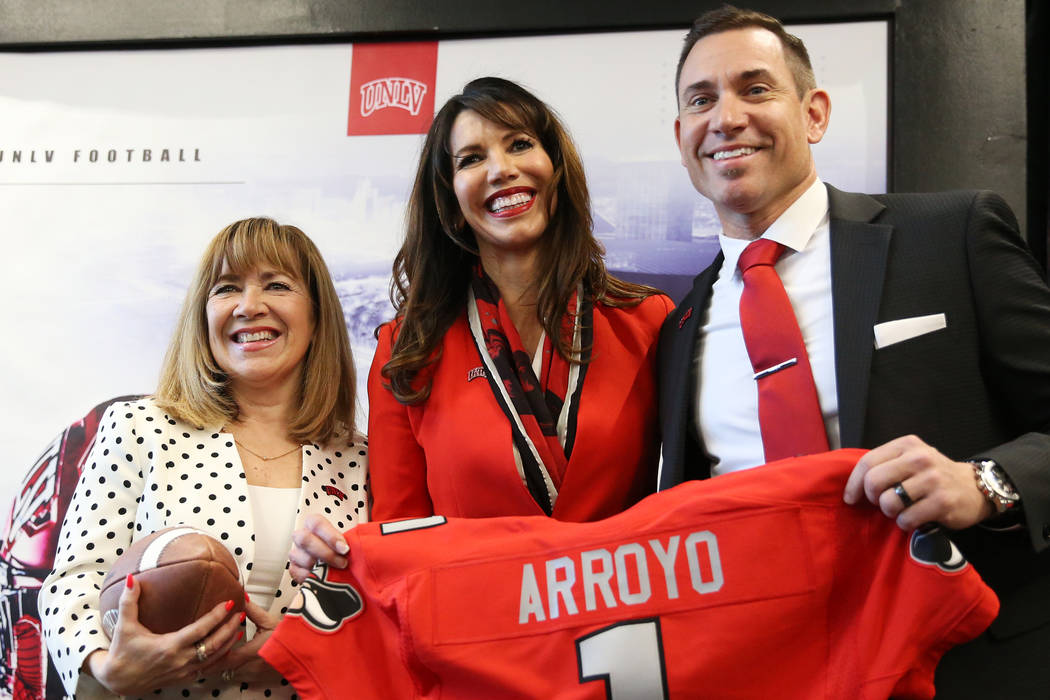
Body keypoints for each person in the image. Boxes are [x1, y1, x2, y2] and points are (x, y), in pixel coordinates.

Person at [656, 6, 1050, 696]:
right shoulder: (678, 325)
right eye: (701, 99)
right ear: (682, 135)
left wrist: (986, 482)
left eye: (755, 89)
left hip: (971, 664)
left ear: (814, 115)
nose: (725, 118)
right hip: (779, 674)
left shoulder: (951, 235)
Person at [289, 77, 672, 580]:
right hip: (475, 641)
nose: (501, 169)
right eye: (471, 159)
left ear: (555, 169)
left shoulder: (647, 321)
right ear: (450, 200)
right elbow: (399, 540)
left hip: (624, 634)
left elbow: (691, 501)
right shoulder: (406, 352)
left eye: (520, 144)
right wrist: (335, 557)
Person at [40, 218, 368, 699]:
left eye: (277, 285)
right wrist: (105, 665)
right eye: (227, 288)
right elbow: (73, 581)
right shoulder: (138, 426)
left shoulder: (361, 458)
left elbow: (393, 609)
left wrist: (311, 646)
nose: (249, 306)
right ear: (203, 316)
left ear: (317, 317)